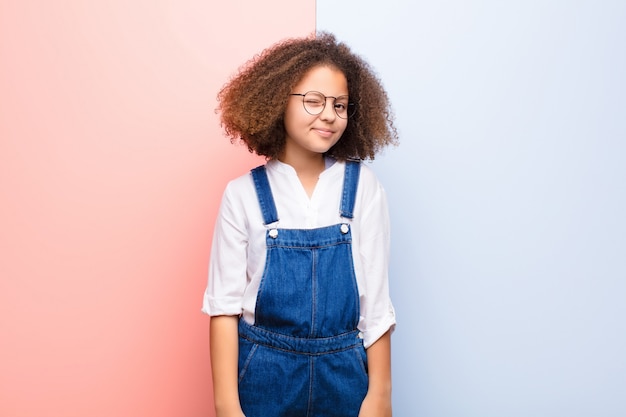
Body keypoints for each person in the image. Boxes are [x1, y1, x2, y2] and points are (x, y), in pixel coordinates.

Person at [202, 32, 398, 417]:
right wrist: (227, 406)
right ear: (277, 101)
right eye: (313, 101)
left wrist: (380, 397)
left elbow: (375, 305)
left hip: (344, 374)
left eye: (340, 105)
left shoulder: (363, 190)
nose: (329, 114)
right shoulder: (242, 195)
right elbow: (223, 308)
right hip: (264, 376)